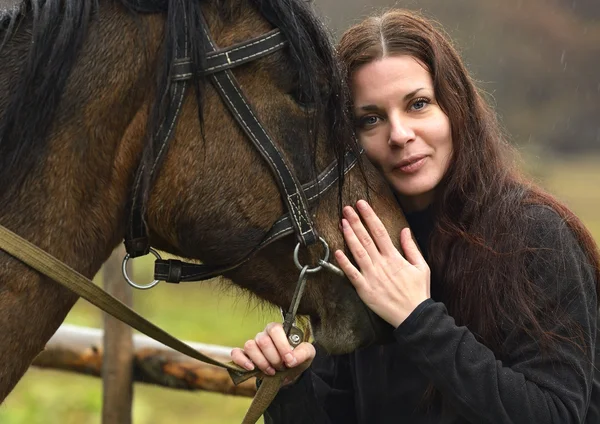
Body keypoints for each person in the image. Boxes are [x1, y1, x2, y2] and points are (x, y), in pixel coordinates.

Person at [231, 9, 600, 423]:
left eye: (418, 104)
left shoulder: (538, 237)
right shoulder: (358, 248)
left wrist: (417, 319)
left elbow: (556, 414)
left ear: (454, 108)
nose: (400, 134)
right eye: (370, 118)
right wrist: (289, 389)